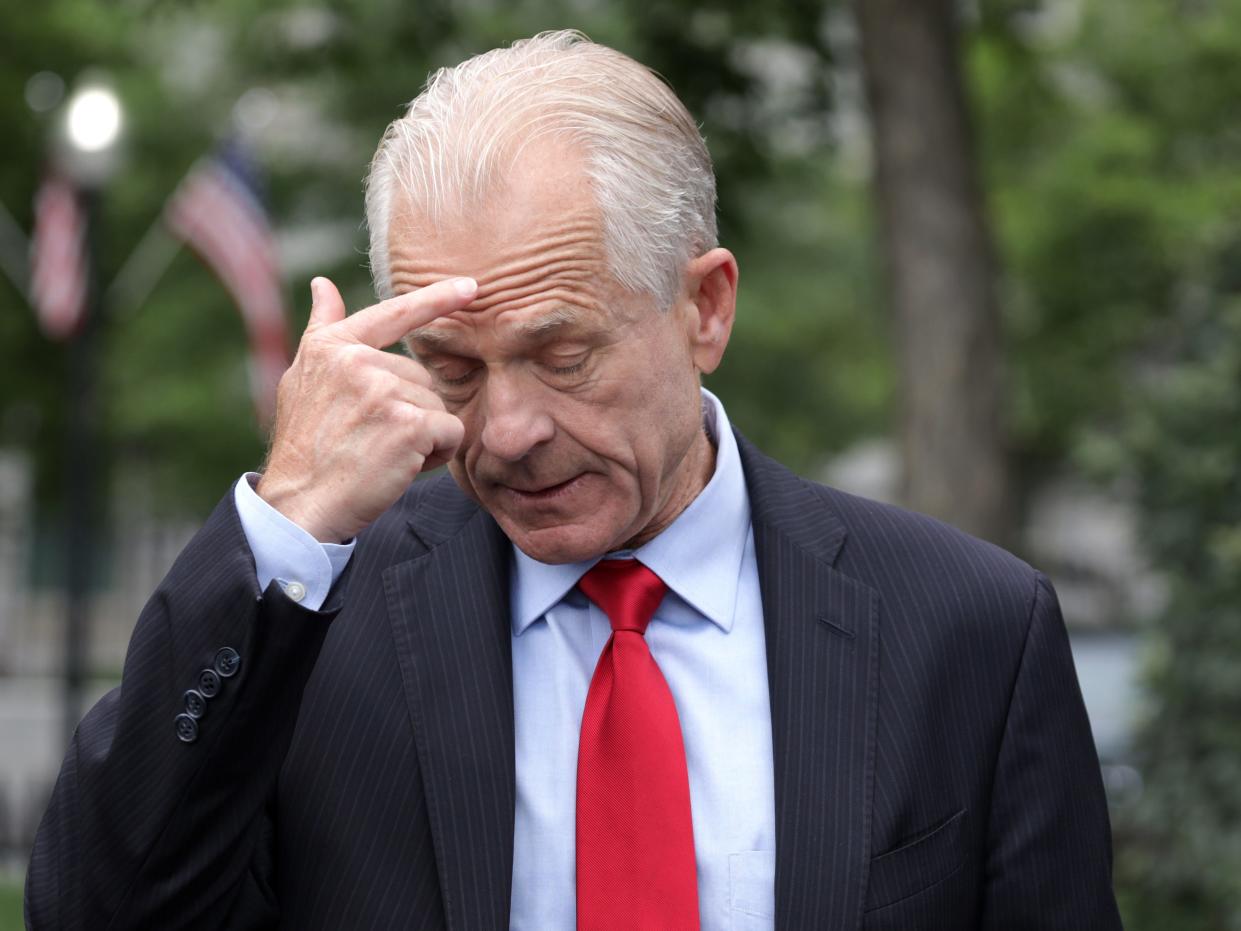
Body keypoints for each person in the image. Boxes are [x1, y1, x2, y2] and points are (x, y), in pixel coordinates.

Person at [25, 30, 1122, 931]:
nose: (504, 432)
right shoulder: (314, 624)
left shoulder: (969, 628)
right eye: (452, 367)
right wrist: (287, 525)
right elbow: (98, 905)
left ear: (704, 307)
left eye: (562, 355)